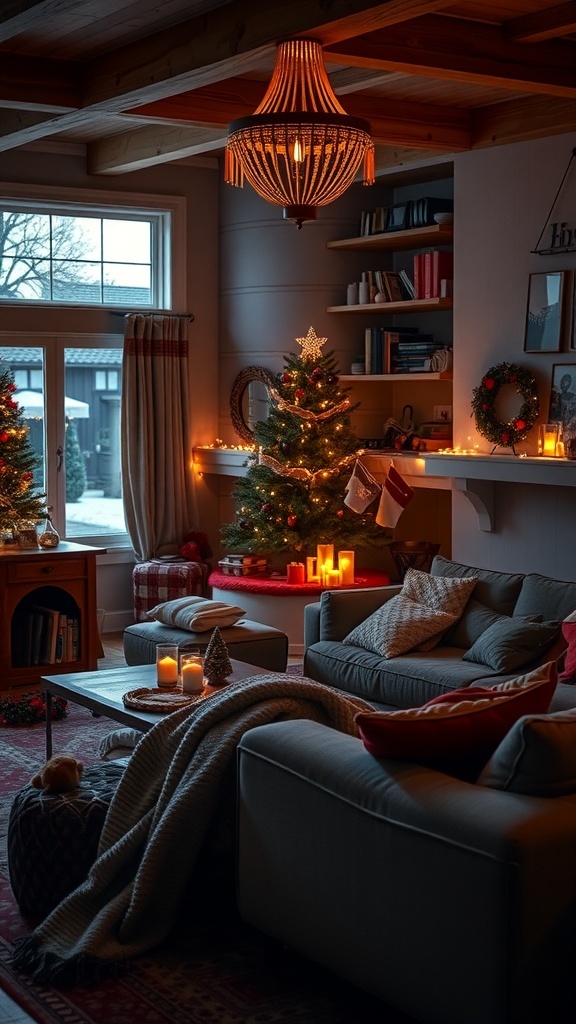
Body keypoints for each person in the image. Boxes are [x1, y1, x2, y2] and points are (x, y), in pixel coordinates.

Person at [549, 372, 576, 442]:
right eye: (563, 380)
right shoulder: (557, 396)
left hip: (569, 430)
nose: (563, 383)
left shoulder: (573, 398)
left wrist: (569, 426)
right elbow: (556, 413)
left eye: (567, 381)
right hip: (558, 429)